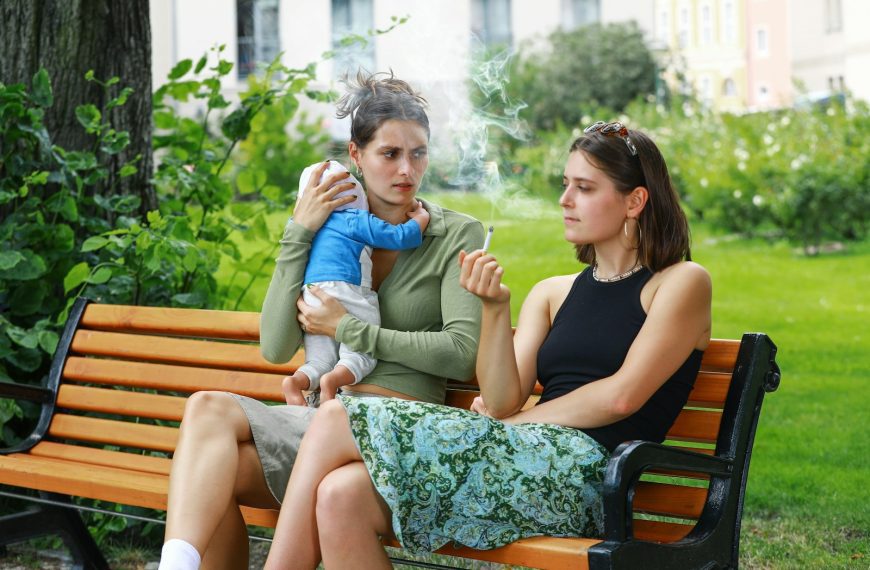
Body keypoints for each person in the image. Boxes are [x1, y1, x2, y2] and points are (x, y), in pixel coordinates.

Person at [262, 121, 713, 569]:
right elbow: (499, 402)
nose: (565, 199)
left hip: (588, 477)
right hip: (519, 459)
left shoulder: (681, 283)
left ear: (635, 201)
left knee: (339, 413)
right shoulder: (553, 292)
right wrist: (494, 308)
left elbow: (621, 396)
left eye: (585, 188)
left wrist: (523, 423)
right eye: (565, 184)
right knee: (339, 495)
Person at [157, 72, 484, 570]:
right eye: (389, 154)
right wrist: (299, 233)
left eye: (418, 153)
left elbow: (460, 352)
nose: (407, 170)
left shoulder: (453, 232)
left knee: (209, 467)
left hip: (396, 433)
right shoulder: (332, 228)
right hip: (319, 424)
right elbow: (274, 347)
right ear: (356, 155)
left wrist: (348, 329)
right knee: (206, 422)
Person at [282, 160, 431, 406]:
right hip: (346, 290)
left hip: (311, 296)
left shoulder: (308, 228)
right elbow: (398, 237)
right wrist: (421, 219)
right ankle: (333, 382)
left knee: (319, 360)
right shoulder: (353, 219)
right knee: (360, 353)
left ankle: (296, 383)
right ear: (353, 193)